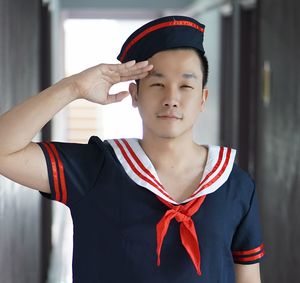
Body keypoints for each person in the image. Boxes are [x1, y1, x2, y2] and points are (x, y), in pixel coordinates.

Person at [0, 15, 265, 282]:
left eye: (185, 86)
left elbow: (248, 276)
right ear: (135, 95)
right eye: (158, 84)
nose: (171, 99)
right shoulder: (96, 168)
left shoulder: (236, 186)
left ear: (203, 98)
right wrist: (74, 87)